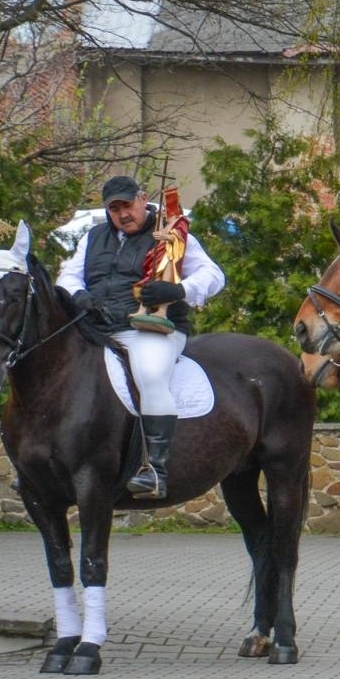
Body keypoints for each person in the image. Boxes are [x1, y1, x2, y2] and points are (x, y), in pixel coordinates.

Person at [57, 174, 225, 499]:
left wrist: (179, 289)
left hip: (151, 329)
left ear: (142, 198)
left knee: (149, 374)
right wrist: (78, 295)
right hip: (97, 329)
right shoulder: (93, 237)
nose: (122, 214)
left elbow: (213, 275)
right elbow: (68, 275)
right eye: (114, 208)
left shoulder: (172, 232)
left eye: (127, 205)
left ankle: (155, 470)